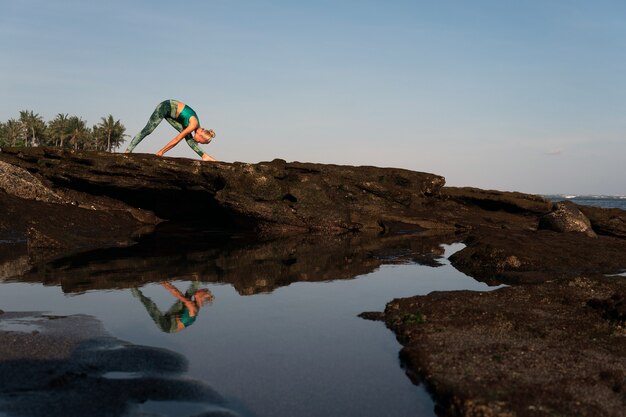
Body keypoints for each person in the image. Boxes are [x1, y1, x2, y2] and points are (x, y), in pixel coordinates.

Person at [124, 99, 216, 161]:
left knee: (189, 140)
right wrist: (161, 151)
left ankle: (205, 156)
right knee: (148, 130)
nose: (198, 143)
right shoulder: (193, 125)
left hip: (172, 115)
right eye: (201, 142)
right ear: (200, 135)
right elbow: (177, 139)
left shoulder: (197, 127)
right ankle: (128, 150)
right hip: (165, 107)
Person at [131, 281, 214, 333]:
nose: (200, 290)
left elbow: (177, 294)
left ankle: (134, 291)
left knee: (150, 306)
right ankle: (197, 279)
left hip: (169, 326)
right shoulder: (196, 306)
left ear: (201, 297)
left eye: (201, 290)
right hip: (176, 316)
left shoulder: (192, 307)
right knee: (188, 295)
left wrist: (165, 284)